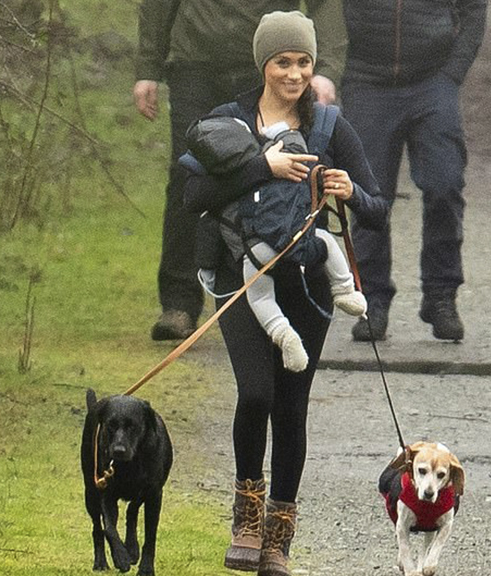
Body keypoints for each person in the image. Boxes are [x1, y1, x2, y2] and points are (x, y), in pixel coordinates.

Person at [182, 12, 387, 575]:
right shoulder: (227, 122)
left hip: (306, 279)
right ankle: (246, 513)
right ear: (263, 65)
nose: (294, 74)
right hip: (241, 278)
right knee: (255, 393)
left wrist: (349, 192)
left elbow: (377, 209)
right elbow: (190, 196)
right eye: (283, 62)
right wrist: (259, 166)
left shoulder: (330, 128)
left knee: (291, 405)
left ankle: (278, 534)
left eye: (303, 62)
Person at [134, 0, 346, 341]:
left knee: (288, 173)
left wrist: (326, 68)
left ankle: (290, 290)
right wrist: (148, 66)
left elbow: (324, 5)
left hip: (267, 63)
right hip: (195, 63)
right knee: (188, 176)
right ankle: (179, 302)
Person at [341, 0, 488, 342]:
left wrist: (453, 72)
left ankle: (440, 296)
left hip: (433, 80)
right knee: (368, 193)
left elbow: (474, 8)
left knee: (445, 183)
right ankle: (372, 300)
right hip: (365, 80)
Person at [181, 116, 367, 373]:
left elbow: (208, 226)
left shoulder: (222, 175)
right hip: (299, 236)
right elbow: (296, 146)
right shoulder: (275, 148)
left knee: (261, 298)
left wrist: (208, 272)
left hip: (255, 250)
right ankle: (345, 290)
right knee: (326, 240)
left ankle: (282, 333)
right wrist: (276, 143)